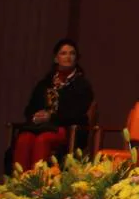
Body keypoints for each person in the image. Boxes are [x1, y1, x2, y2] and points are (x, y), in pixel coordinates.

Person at [14, 38, 94, 170]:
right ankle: (19, 183)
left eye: (72, 53)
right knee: (24, 139)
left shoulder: (82, 85)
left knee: (43, 140)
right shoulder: (45, 83)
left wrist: (51, 117)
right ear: (56, 58)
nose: (68, 57)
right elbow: (29, 109)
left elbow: (77, 112)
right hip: (41, 126)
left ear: (76, 58)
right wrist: (36, 116)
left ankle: (39, 184)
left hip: (66, 129)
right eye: (63, 53)